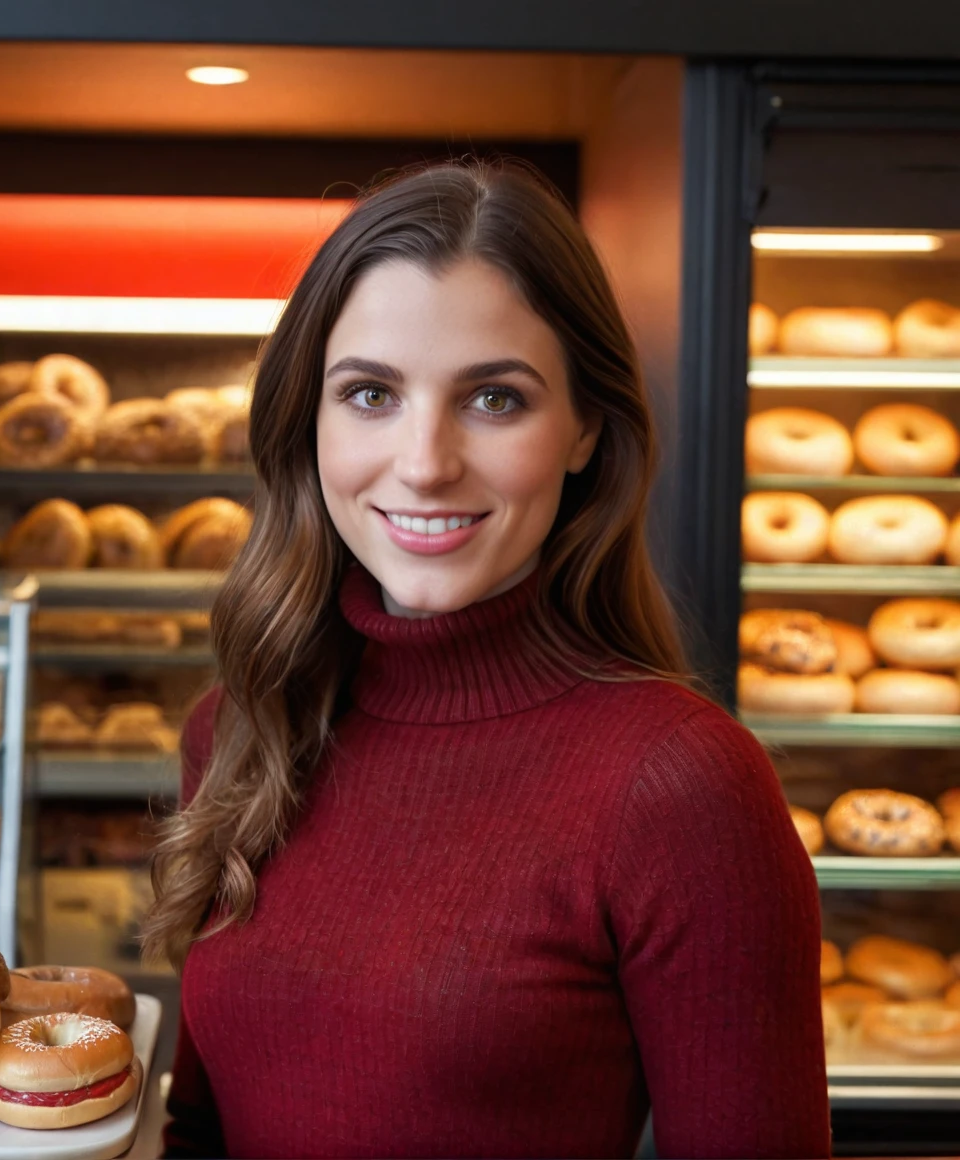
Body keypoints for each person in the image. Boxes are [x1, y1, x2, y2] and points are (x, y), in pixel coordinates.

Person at [143, 161, 830, 1159]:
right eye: (370, 392)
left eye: (495, 399)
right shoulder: (242, 724)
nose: (424, 460)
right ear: (309, 419)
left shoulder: (682, 785)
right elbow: (200, 1128)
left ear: (585, 426)